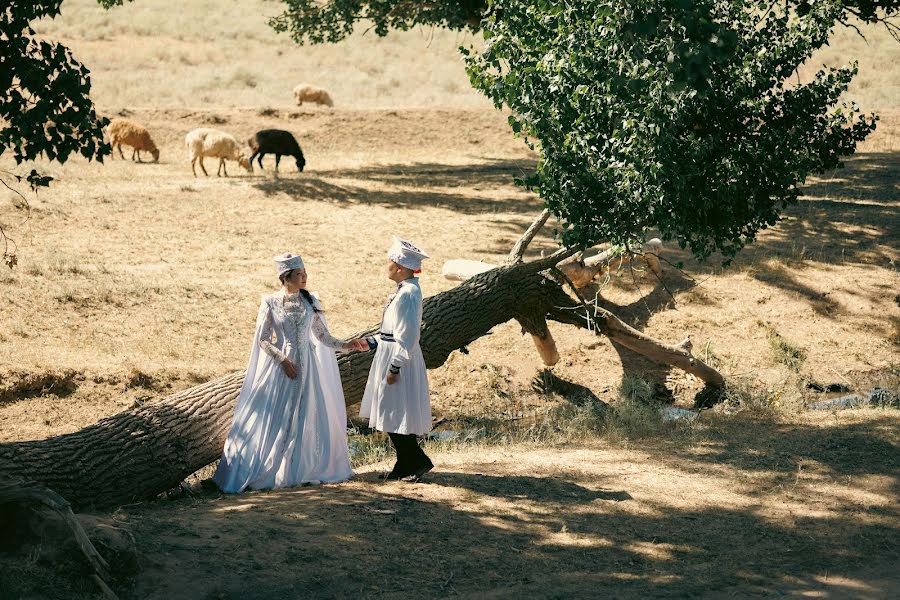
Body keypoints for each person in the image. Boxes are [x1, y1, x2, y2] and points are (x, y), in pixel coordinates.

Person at [213, 253, 367, 492]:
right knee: (278, 415)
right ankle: (271, 467)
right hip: (284, 366)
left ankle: (300, 468)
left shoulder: (311, 301)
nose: (305, 277)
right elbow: (263, 340)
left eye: (305, 272)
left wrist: (347, 345)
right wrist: (283, 360)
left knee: (307, 414)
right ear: (285, 277)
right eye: (299, 274)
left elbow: (322, 336)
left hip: (309, 367)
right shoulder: (271, 302)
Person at [360, 237, 433, 481]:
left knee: (394, 411)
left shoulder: (408, 294)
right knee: (390, 411)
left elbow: (408, 336)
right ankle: (405, 463)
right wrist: (371, 342)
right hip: (390, 352)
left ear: (400, 268)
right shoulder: (403, 291)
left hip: (401, 358)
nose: (387, 266)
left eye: (389, 263)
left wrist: (395, 366)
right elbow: (391, 331)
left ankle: (418, 461)